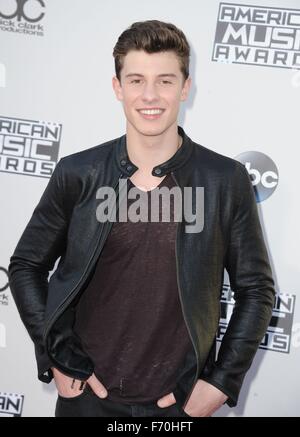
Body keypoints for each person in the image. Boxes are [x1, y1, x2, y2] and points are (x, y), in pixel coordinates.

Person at [8, 20, 275, 418]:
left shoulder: (224, 180)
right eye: (136, 80)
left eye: (165, 81)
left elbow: (256, 289)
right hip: (87, 399)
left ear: (186, 87)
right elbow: (26, 265)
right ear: (118, 88)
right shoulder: (79, 173)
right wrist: (56, 355)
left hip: (178, 405)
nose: (150, 95)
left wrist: (221, 381)